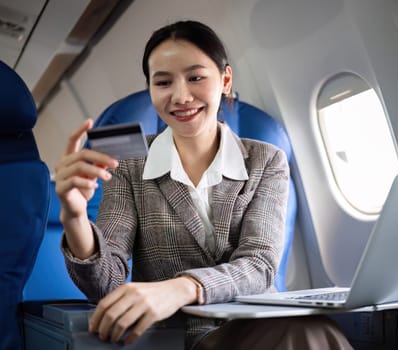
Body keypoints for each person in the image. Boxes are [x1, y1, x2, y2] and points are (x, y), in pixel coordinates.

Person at [55, 20, 353, 350]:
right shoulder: (129, 166)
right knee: (312, 334)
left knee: (313, 329)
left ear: (225, 81)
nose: (181, 96)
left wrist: (181, 288)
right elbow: (105, 284)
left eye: (195, 77)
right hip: (177, 338)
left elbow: (260, 265)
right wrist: (74, 216)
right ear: (151, 91)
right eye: (164, 82)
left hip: (256, 324)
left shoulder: (266, 160)